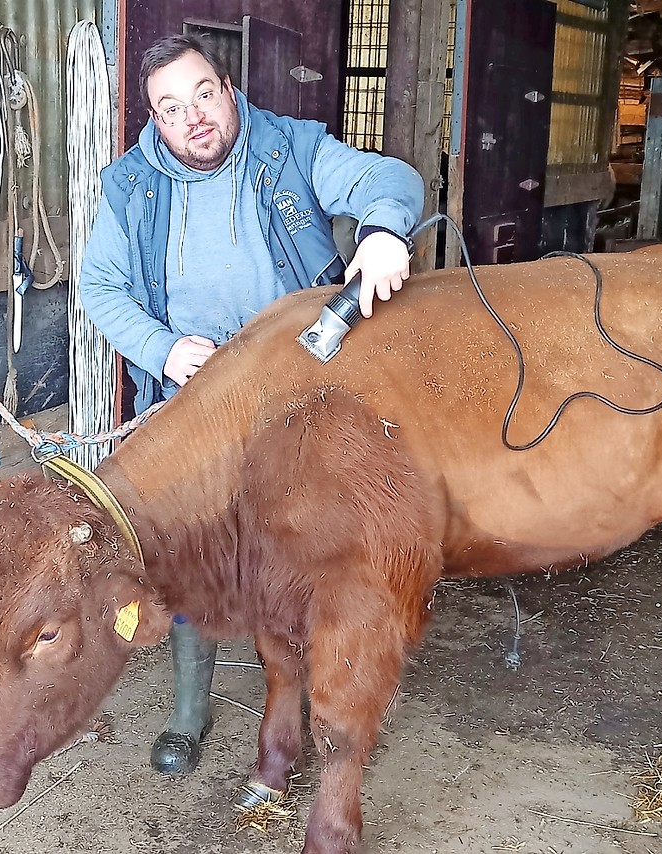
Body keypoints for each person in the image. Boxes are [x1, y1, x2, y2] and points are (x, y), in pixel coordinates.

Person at [78, 34, 425, 776]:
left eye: (202, 94)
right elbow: (100, 290)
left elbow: (387, 178)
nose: (192, 118)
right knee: (184, 549)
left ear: (228, 87)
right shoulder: (129, 185)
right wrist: (166, 350)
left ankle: (300, 696)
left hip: (299, 403)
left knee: (303, 551)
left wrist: (386, 229)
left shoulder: (291, 149)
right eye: (171, 109)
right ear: (154, 121)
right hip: (189, 398)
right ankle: (187, 708)